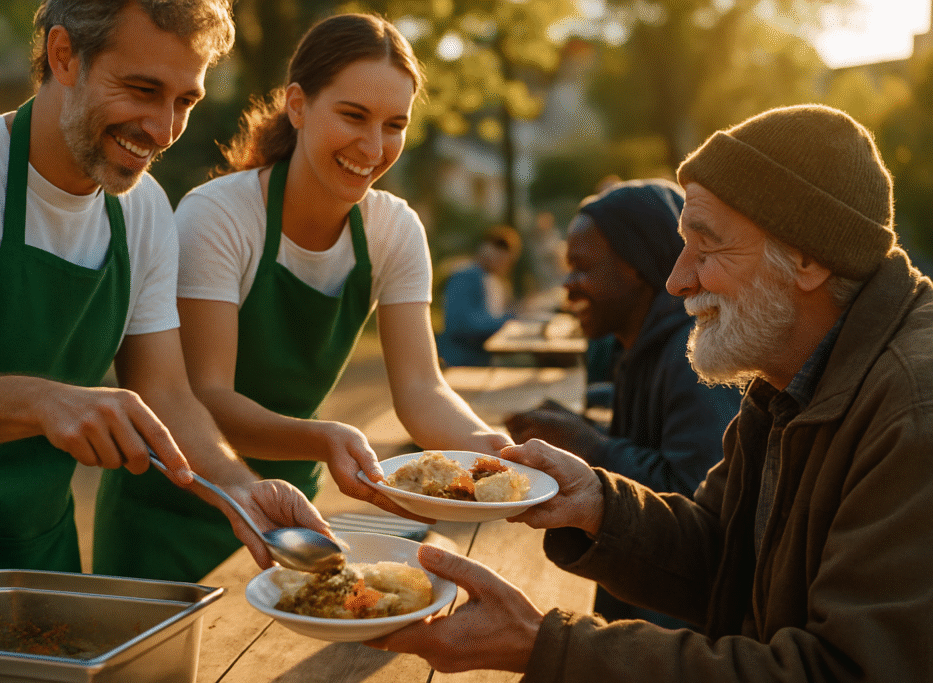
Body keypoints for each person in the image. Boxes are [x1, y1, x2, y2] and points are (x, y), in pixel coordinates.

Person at [374, 104, 933, 682]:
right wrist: (596, 503)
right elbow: (721, 555)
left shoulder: (914, 412)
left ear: (808, 257)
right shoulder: (792, 373)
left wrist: (547, 647)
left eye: (707, 247)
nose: (677, 279)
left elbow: (841, 671)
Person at [0, 0, 330, 587]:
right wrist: (45, 402)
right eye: (141, 88)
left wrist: (241, 489)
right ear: (64, 56)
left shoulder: (144, 210)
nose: (162, 130)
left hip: (39, 567)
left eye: (185, 101)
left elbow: (165, 393)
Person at [93, 13, 512, 582]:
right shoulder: (218, 216)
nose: (373, 145)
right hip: (174, 516)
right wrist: (324, 436)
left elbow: (422, 389)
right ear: (297, 106)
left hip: (292, 518)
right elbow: (205, 396)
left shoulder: (393, 230)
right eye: (353, 115)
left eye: (395, 124)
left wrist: (497, 455)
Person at [504, 179, 740, 626]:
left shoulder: (695, 357)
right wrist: (572, 429)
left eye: (581, 267)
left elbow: (696, 503)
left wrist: (590, 447)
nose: (568, 286)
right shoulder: (635, 348)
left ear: (634, 267)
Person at [436, 225, 523, 367]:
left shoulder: (493, 281)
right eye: (501, 257)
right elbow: (464, 325)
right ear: (485, 248)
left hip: (482, 357)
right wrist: (509, 319)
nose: (504, 264)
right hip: (463, 360)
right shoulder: (465, 277)